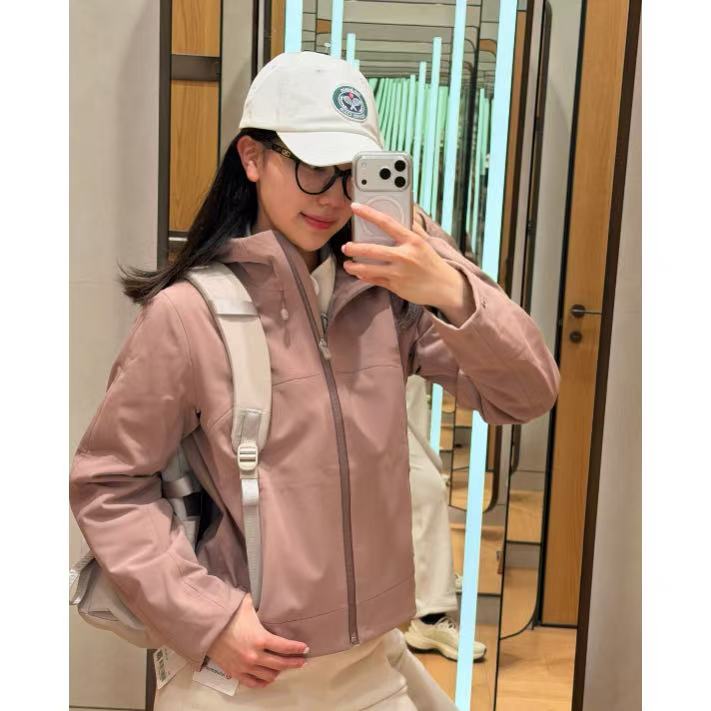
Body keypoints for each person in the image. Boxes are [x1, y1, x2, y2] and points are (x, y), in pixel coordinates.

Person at [69, 51, 560, 710]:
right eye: (311, 166)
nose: (332, 195)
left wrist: (448, 279)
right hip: (244, 676)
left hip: (373, 665)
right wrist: (207, 617)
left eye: (352, 173)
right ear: (252, 158)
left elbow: (525, 391)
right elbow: (109, 484)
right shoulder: (188, 314)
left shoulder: (389, 303)